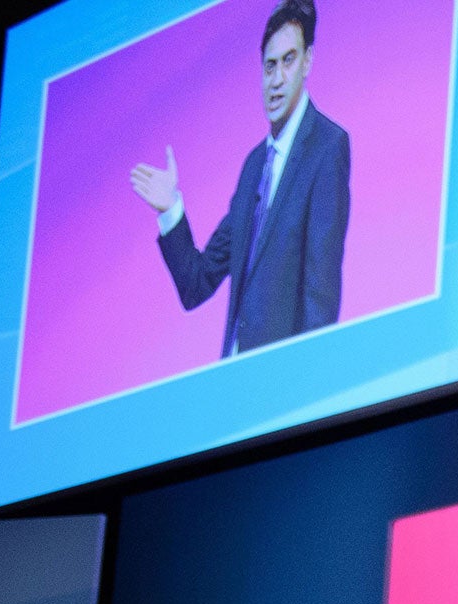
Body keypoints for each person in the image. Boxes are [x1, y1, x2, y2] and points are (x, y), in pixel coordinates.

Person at [128, 0, 350, 358]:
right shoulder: (253, 166)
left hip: (284, 384)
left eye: (288, 61)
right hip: (233, 383)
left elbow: (320, 296)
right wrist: (171, 210)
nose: (276, 80)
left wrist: (309, 387)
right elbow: (196, 284)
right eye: (269, 66)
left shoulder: (327, 146)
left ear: (308, 60)